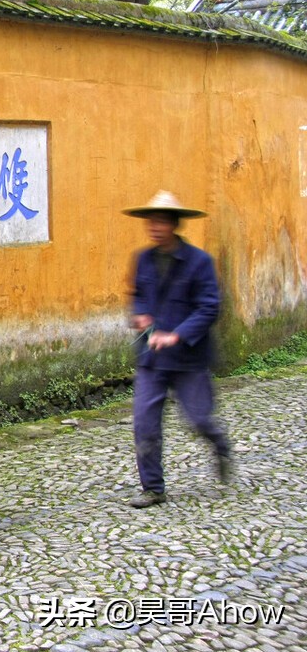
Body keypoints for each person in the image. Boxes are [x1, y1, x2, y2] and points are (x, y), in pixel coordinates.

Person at [123, 191, 232, 508]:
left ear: (174, 225)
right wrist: (139, 315)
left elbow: (209, 308)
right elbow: (138, 296)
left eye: (161, 222)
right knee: (144, 423)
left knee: (199, 418)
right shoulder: (143, 259)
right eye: (151, 222)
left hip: (188, 359)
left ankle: (219, 444)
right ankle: (153, 488)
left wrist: (177, 336)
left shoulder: (199, 262)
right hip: (151, 358)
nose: (154, 228)